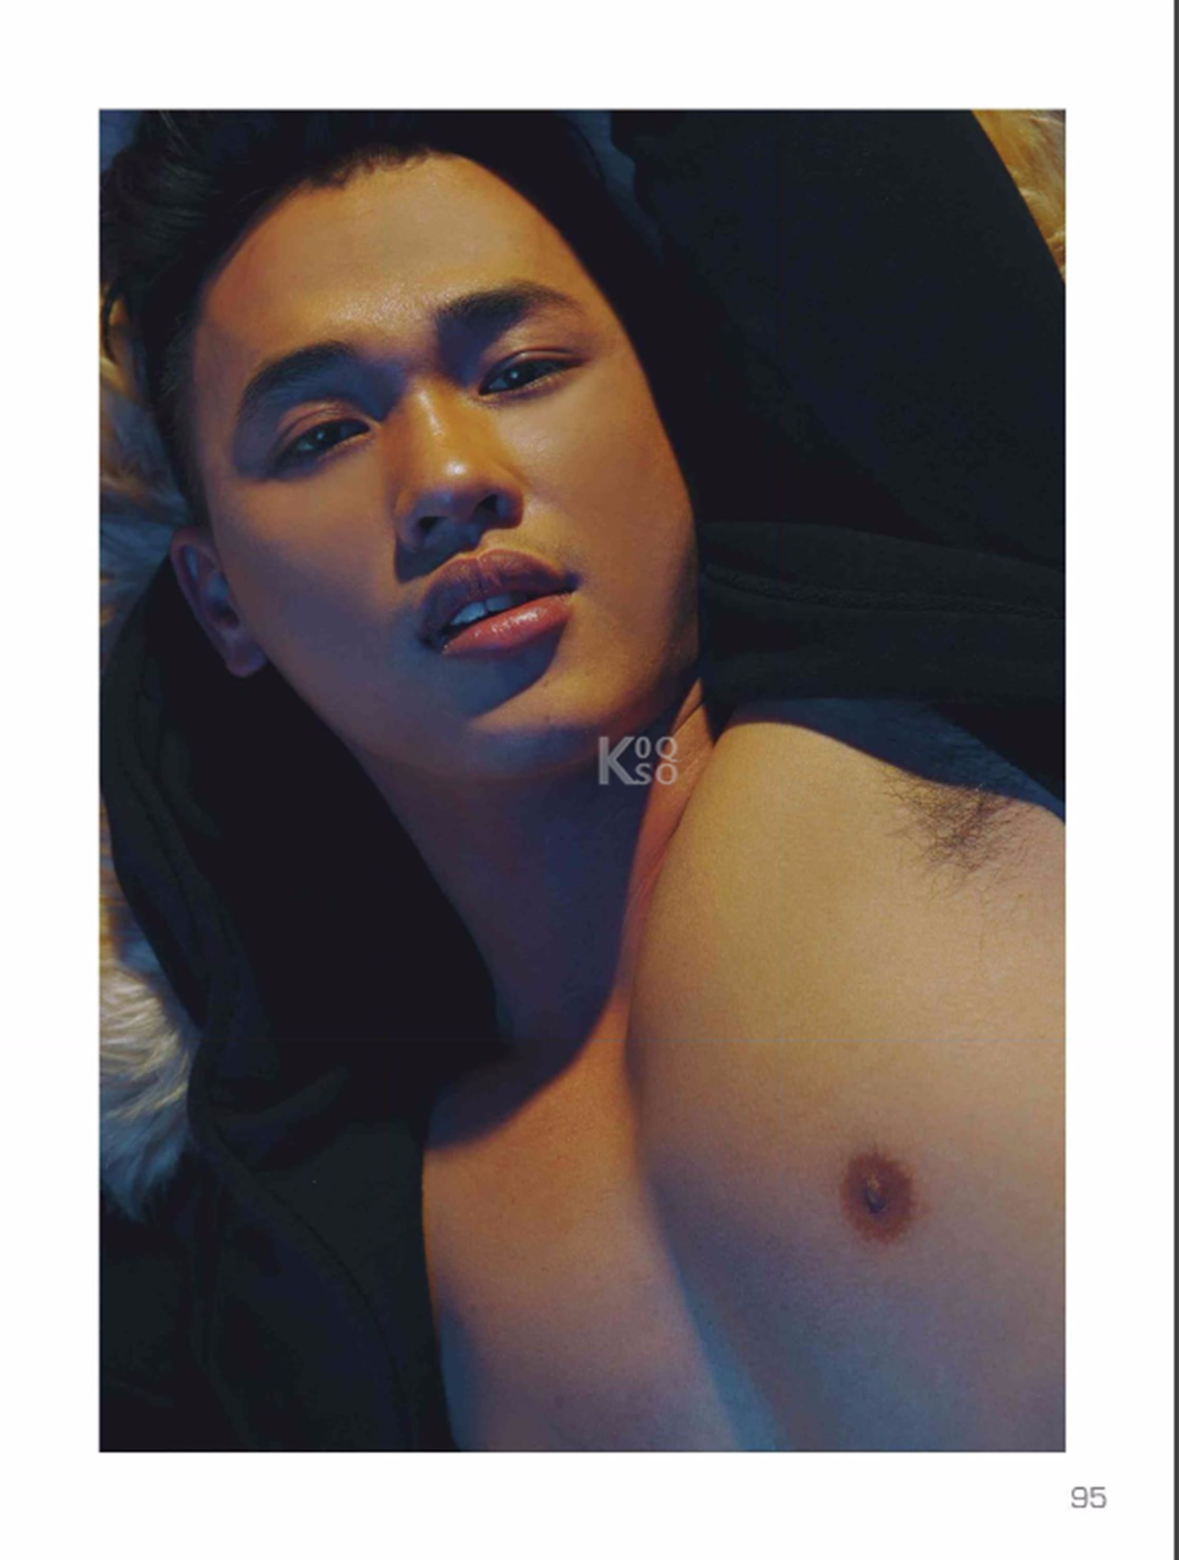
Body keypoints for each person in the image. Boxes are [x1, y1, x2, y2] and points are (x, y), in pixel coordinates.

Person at [100, 110, 1064, 1449]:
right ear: (219, 603)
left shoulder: (953, 664)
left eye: (522, 369)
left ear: (667, 402)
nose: (448, 477)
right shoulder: (332, 1275)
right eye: (320, 435)